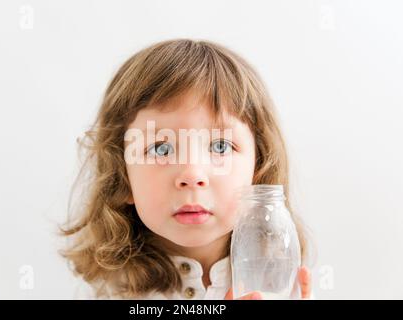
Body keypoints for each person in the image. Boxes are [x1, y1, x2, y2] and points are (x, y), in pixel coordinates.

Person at [60, 39, 314, 300]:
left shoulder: (277, 284)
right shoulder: (119, 291)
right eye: (161, 149)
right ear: (122, 177)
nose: (192, 175)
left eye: (220, 146)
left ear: (258, 168)